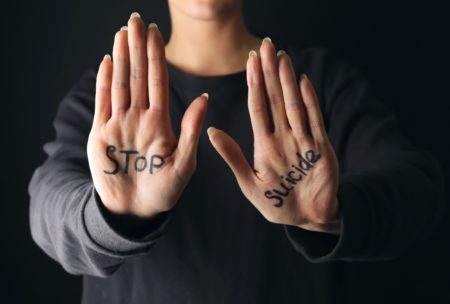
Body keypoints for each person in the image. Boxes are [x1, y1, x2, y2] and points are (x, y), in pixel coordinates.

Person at [28, 0, 445, 303]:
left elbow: (420, 195)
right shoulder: (106, 103)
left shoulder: (319, 84)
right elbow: (47, 206)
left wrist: (333, 213)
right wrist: (113, 216)